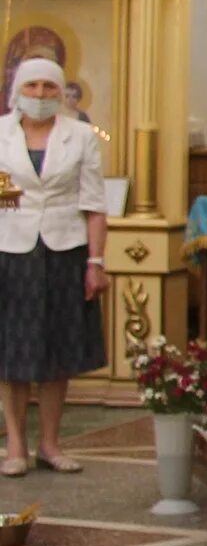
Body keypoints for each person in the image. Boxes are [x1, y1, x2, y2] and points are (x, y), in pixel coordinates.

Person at [1, 59, 105, 477]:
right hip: (9, 249)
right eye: (33, 85)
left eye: (49, 86)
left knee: (57, 350)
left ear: (61, 92)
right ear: (18, 90)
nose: (40, 94)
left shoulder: (80, 136)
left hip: (65, 250)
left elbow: (95, 206)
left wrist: (96, 263)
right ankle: (16, 447)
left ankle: (50, 443)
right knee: (10, 351)